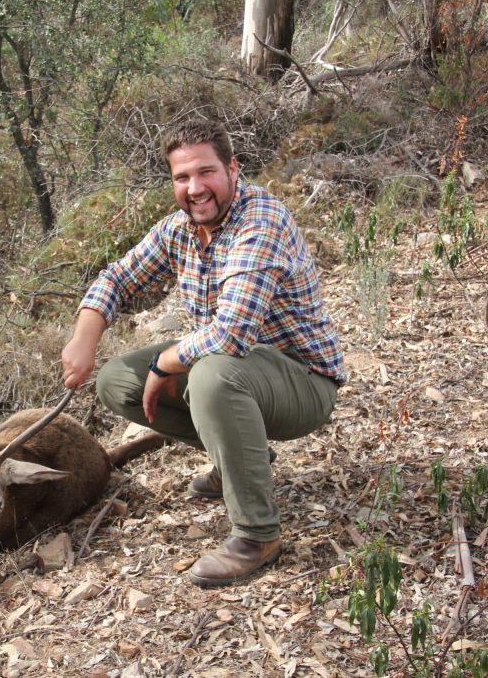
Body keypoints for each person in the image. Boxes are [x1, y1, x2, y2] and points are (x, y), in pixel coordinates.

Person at [60, 119, 346, 587]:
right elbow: (117, 278)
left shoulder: (261, 222)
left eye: (206, 172)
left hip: (303, 381)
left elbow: (231, 335)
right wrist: (85, 335)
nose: (195, 188)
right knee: (117, 381)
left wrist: (164, 362)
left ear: (233, 168)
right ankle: (243, 463)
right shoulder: (180, 230)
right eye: (181, 178)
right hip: (241, 372)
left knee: (211, 374)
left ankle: (258, 535)